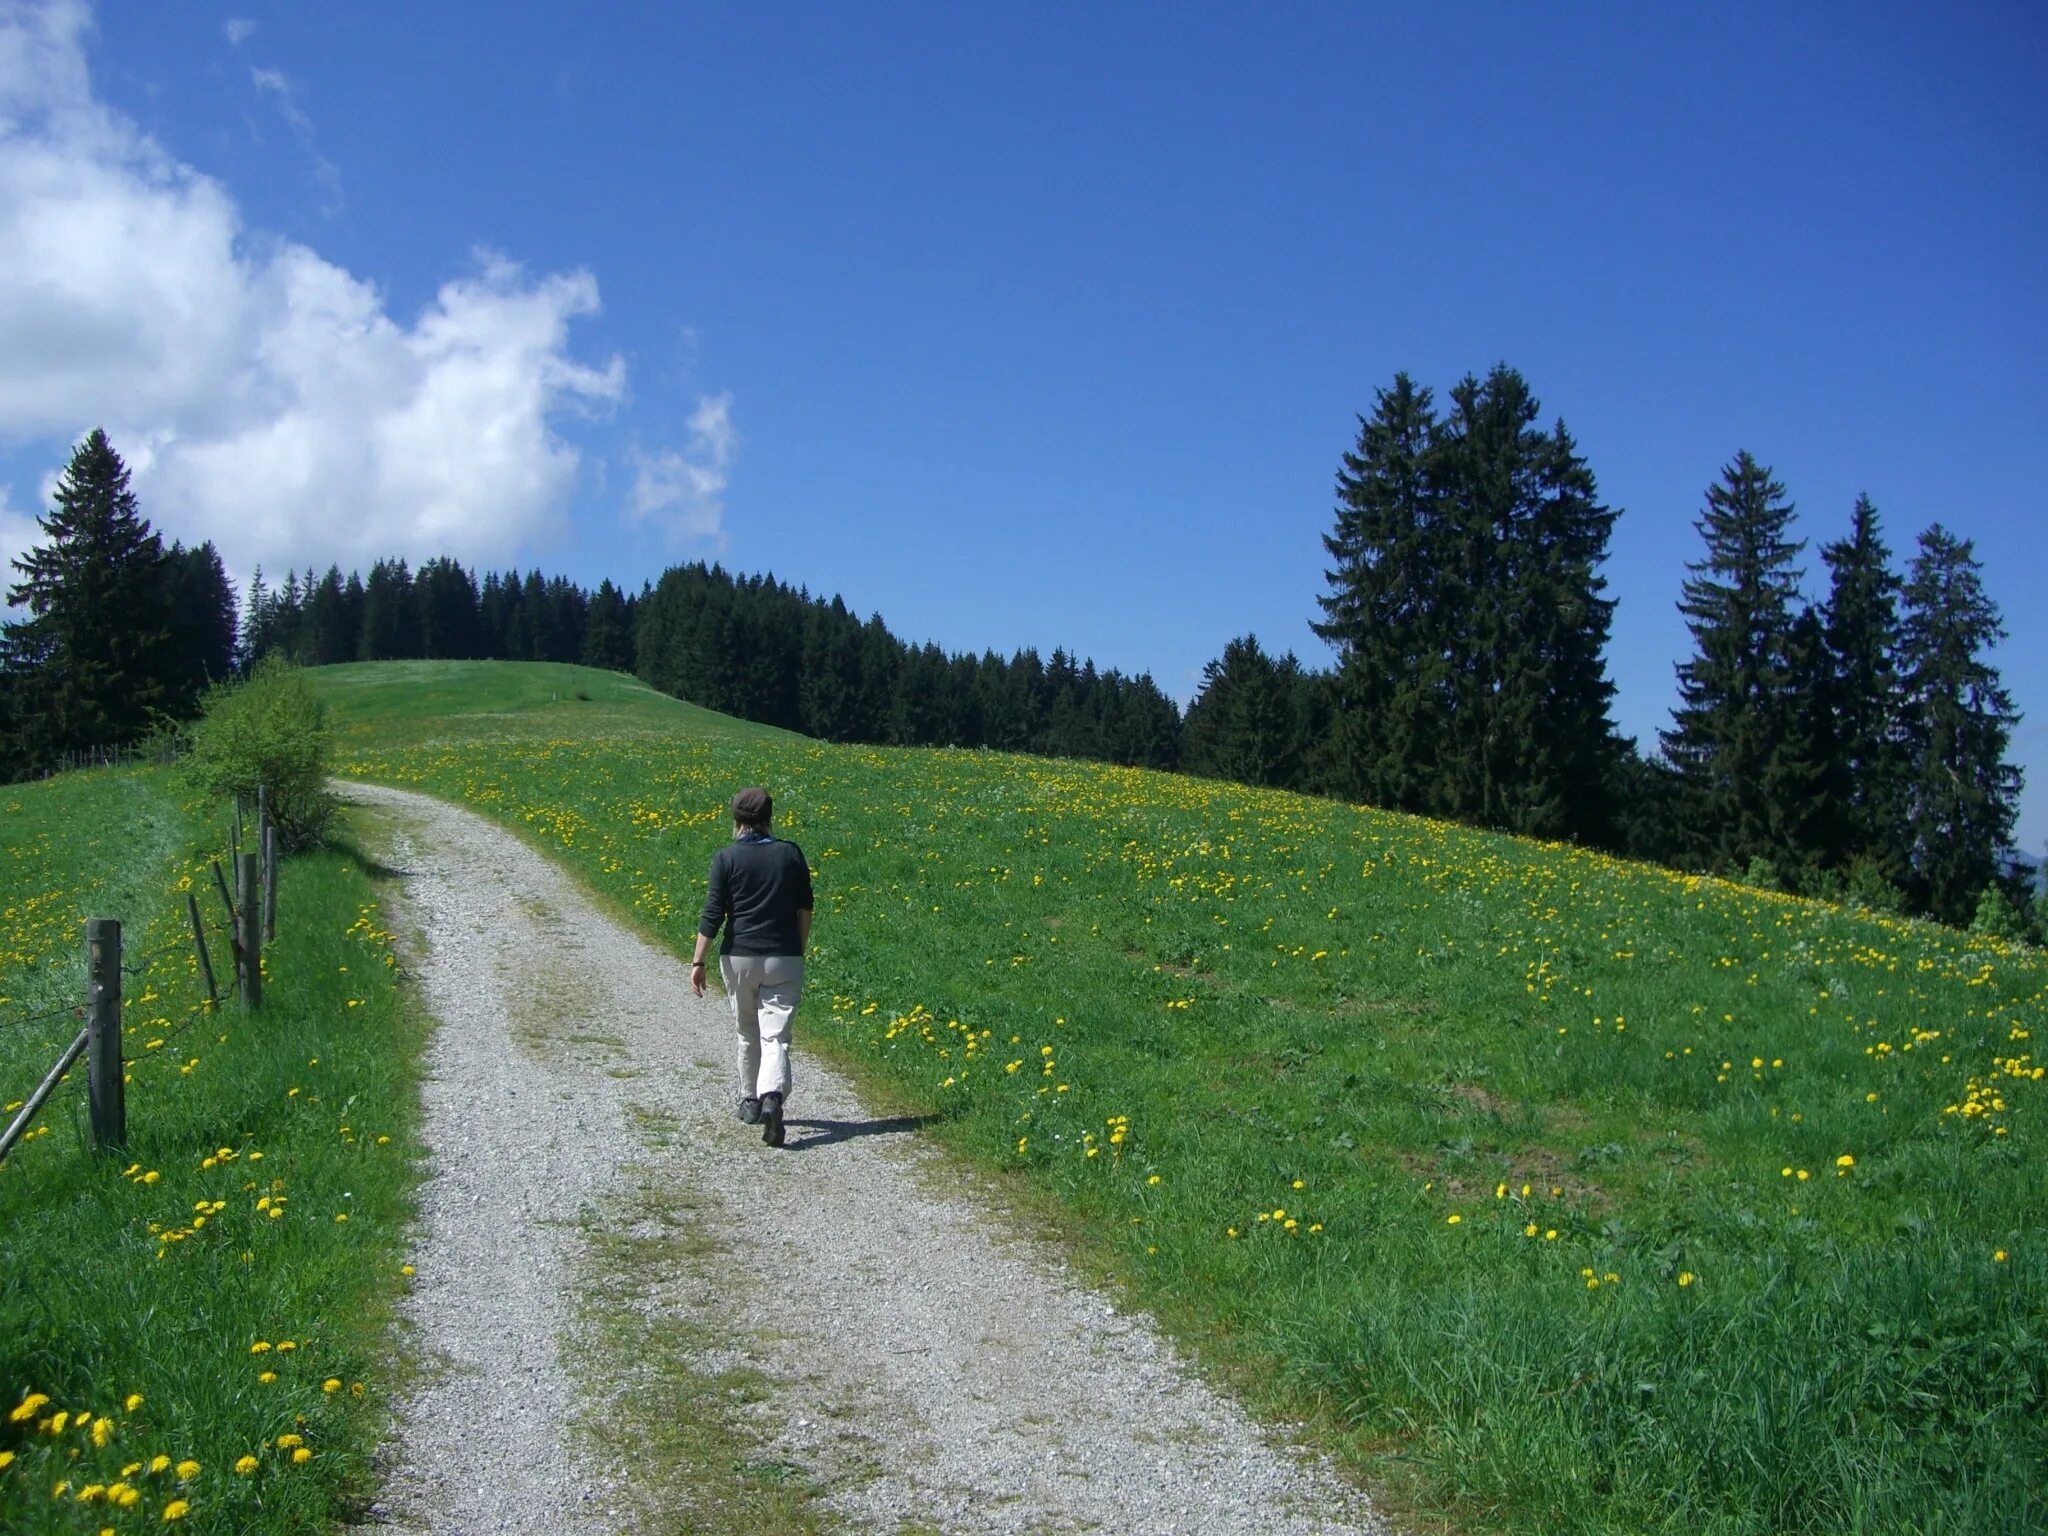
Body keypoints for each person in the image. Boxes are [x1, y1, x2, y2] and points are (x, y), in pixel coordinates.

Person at [690, 786, 814, 1147]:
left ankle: (749, 1101)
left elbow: (713, 914)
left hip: (739, 955)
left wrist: (698, 960)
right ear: (769, 819)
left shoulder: (726, 858)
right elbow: (805, 907)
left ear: (736, 821)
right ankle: (772, 1096)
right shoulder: (791, 854)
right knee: (775, 1034)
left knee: (747, 1030)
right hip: (784, 955)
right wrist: (797, 949)